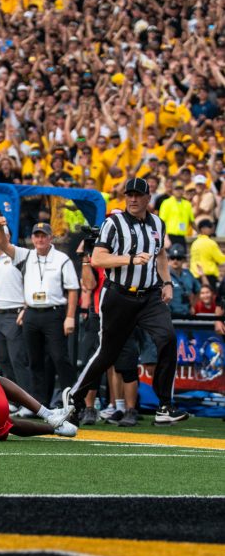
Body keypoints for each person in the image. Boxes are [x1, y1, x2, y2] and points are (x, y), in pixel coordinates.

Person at [67, 177, 189, 425]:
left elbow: (161, 254)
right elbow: (99, 259)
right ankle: (75, 399)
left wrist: (167, 283)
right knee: (107, 354)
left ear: (147, 198)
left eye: (138, 195)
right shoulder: (113, 222)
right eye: (129, 195)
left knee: (167, 338)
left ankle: (164, 404)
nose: (133, 199)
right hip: (119, 295)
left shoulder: (157, 223)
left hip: (149, 296)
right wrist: (130, 259)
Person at [0, 220, 79, 406]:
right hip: (32, 313)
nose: (40, 239)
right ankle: (40, 403)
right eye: (37, 235)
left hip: (54, 313)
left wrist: (69, 317)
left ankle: (73, 401)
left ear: (51, 238)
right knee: (34, 360)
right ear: (32, 238)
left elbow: (73, 289)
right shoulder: (25, 255)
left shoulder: (61, 259)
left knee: (59, 358)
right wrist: (2, 227)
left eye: (44, 235)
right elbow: (3, 244)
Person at [0, 219, 34, 401]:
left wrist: (26, 308)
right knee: (3, 360)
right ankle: (13, 400)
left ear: (8, 235)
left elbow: (31, 283)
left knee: (18, 359)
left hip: (15, 312)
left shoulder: (19, 256)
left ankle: (28, 401)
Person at [190, 219, 225, 290]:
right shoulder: (210, 243)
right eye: (209, 227)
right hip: (208, 277)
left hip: (194, 276)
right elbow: (221, 259)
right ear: (203, 229)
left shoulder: (194, 243)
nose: (212, 229)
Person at [157, 181, 193, 248]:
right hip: (170, 236)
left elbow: (191, 221)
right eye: (177, 189)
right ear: (172, 190)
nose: (179, 191)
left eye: (181, 189)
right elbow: (161, 222)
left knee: (182, 257)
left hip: (182, 236)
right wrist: (165, 238)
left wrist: (200, 234)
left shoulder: (187, 204)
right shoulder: (166, 203)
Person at [168, 243, 199, 317]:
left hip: (186, 314)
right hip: (169, 316)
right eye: (172, 258)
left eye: (178, 258)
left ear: (183, 260)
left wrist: (192, 305)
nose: (175, 260)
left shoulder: (188, 274)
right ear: (168, 259)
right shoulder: (164, 275)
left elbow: (198, 289)